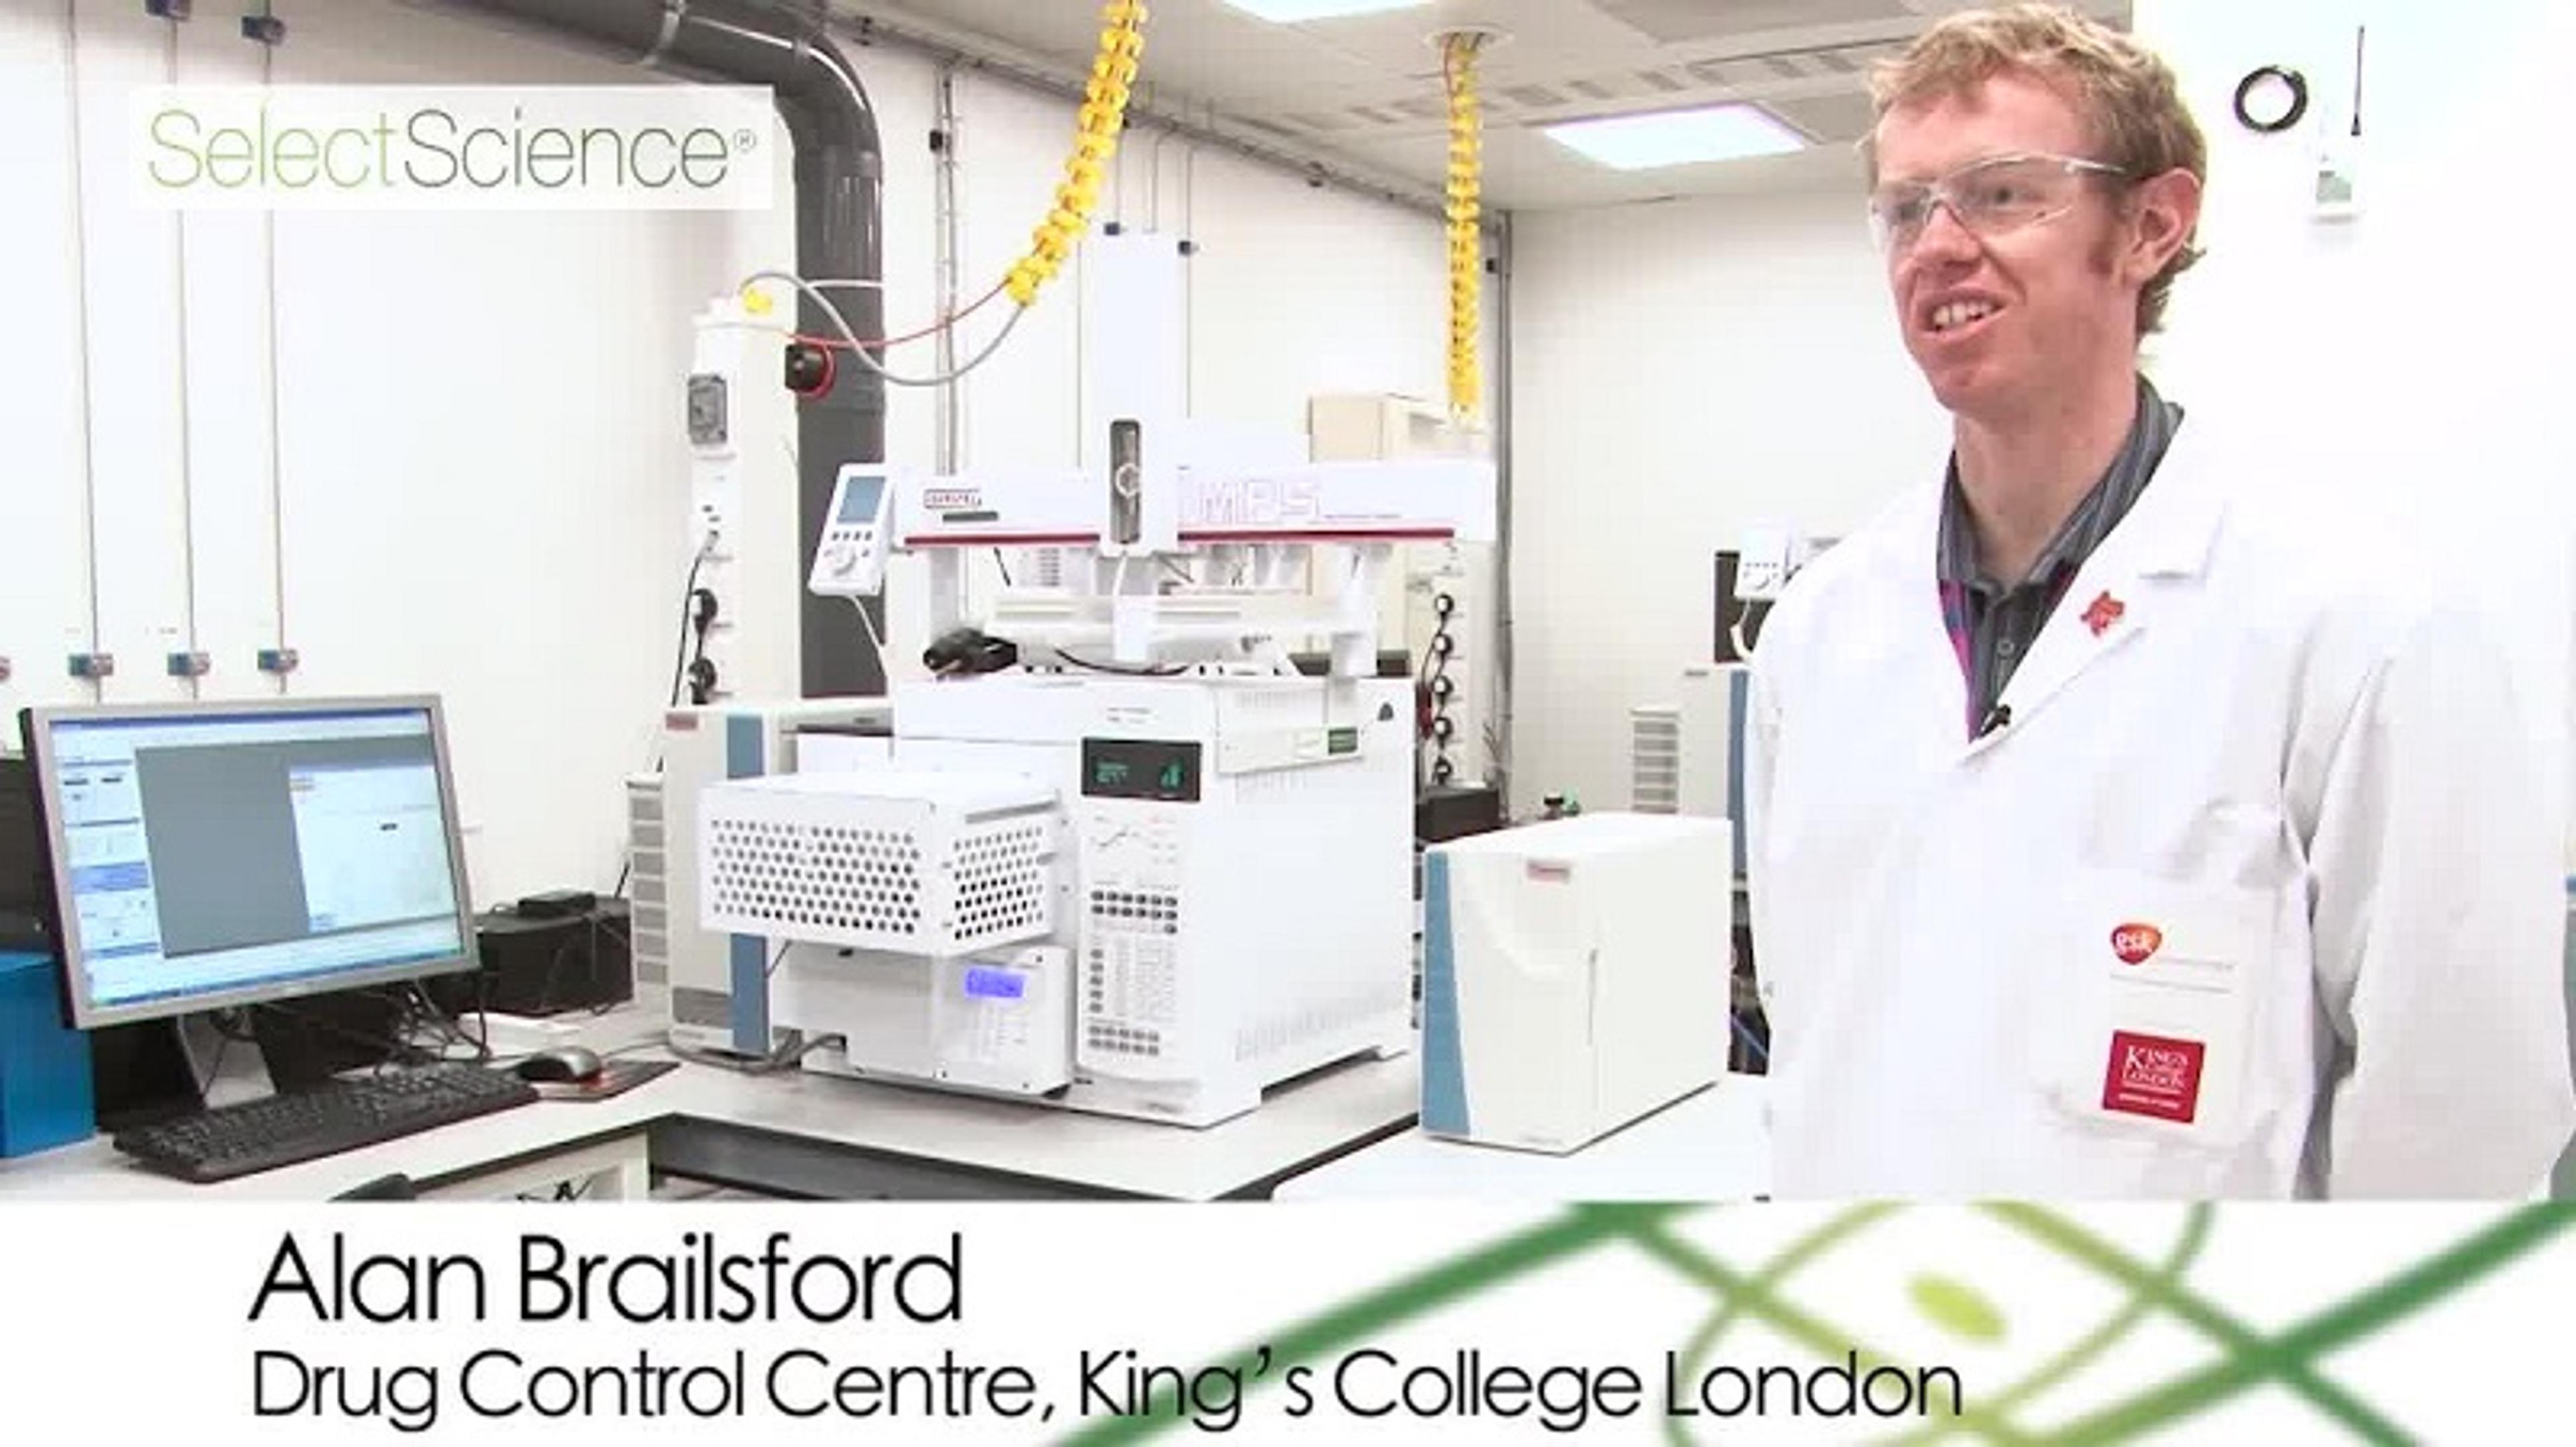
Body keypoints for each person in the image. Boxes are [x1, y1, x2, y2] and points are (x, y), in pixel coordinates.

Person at [1741, 3, 2573, 1197]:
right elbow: (1812, 1021)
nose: (1936, 245)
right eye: (1905, 208)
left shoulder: (2358, 630)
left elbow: (2459, 1114)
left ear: (2151, 225)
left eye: (2000, 194)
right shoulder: (1819, 634)